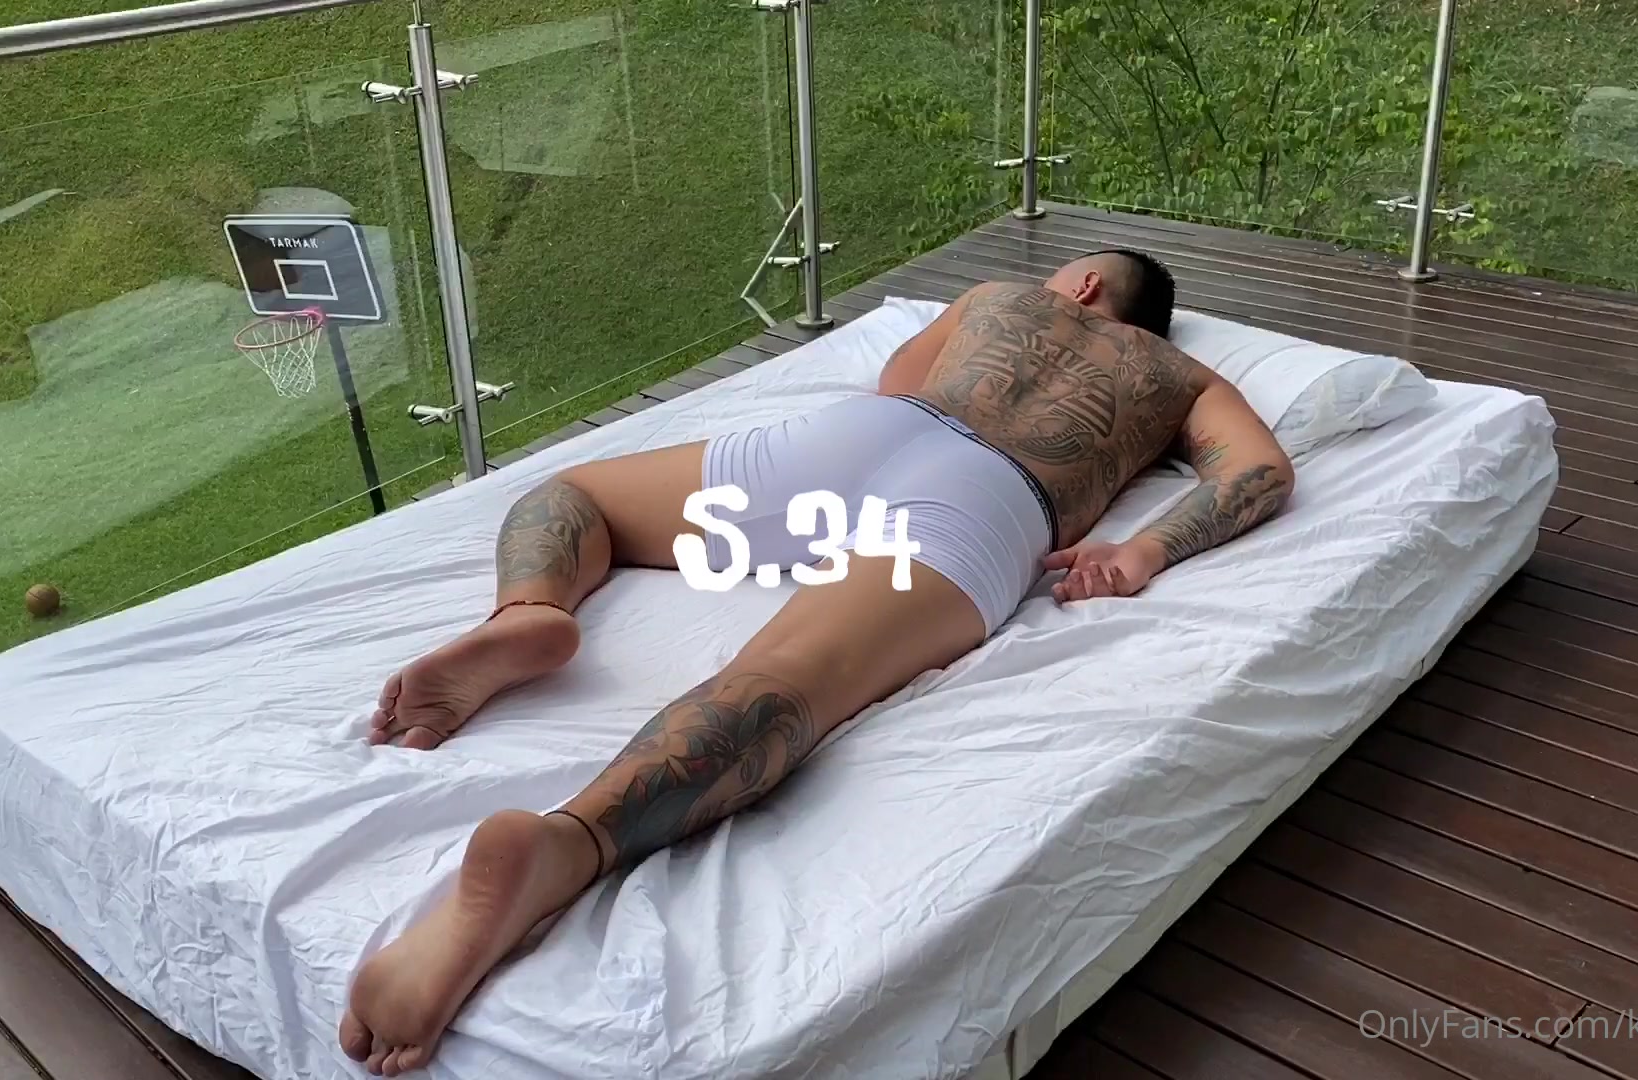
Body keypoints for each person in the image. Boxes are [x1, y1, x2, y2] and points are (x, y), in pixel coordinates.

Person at [337, 249, 1296, 1075]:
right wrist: (1141, 551)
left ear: (1083, 284)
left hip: (866, 440)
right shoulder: (1183, 379)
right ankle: (570, 843)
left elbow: (897, 384)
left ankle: (531, 609)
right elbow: (1257, 472)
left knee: (580, 495)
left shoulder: (997, 296)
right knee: (789, 680)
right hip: (989, 497)